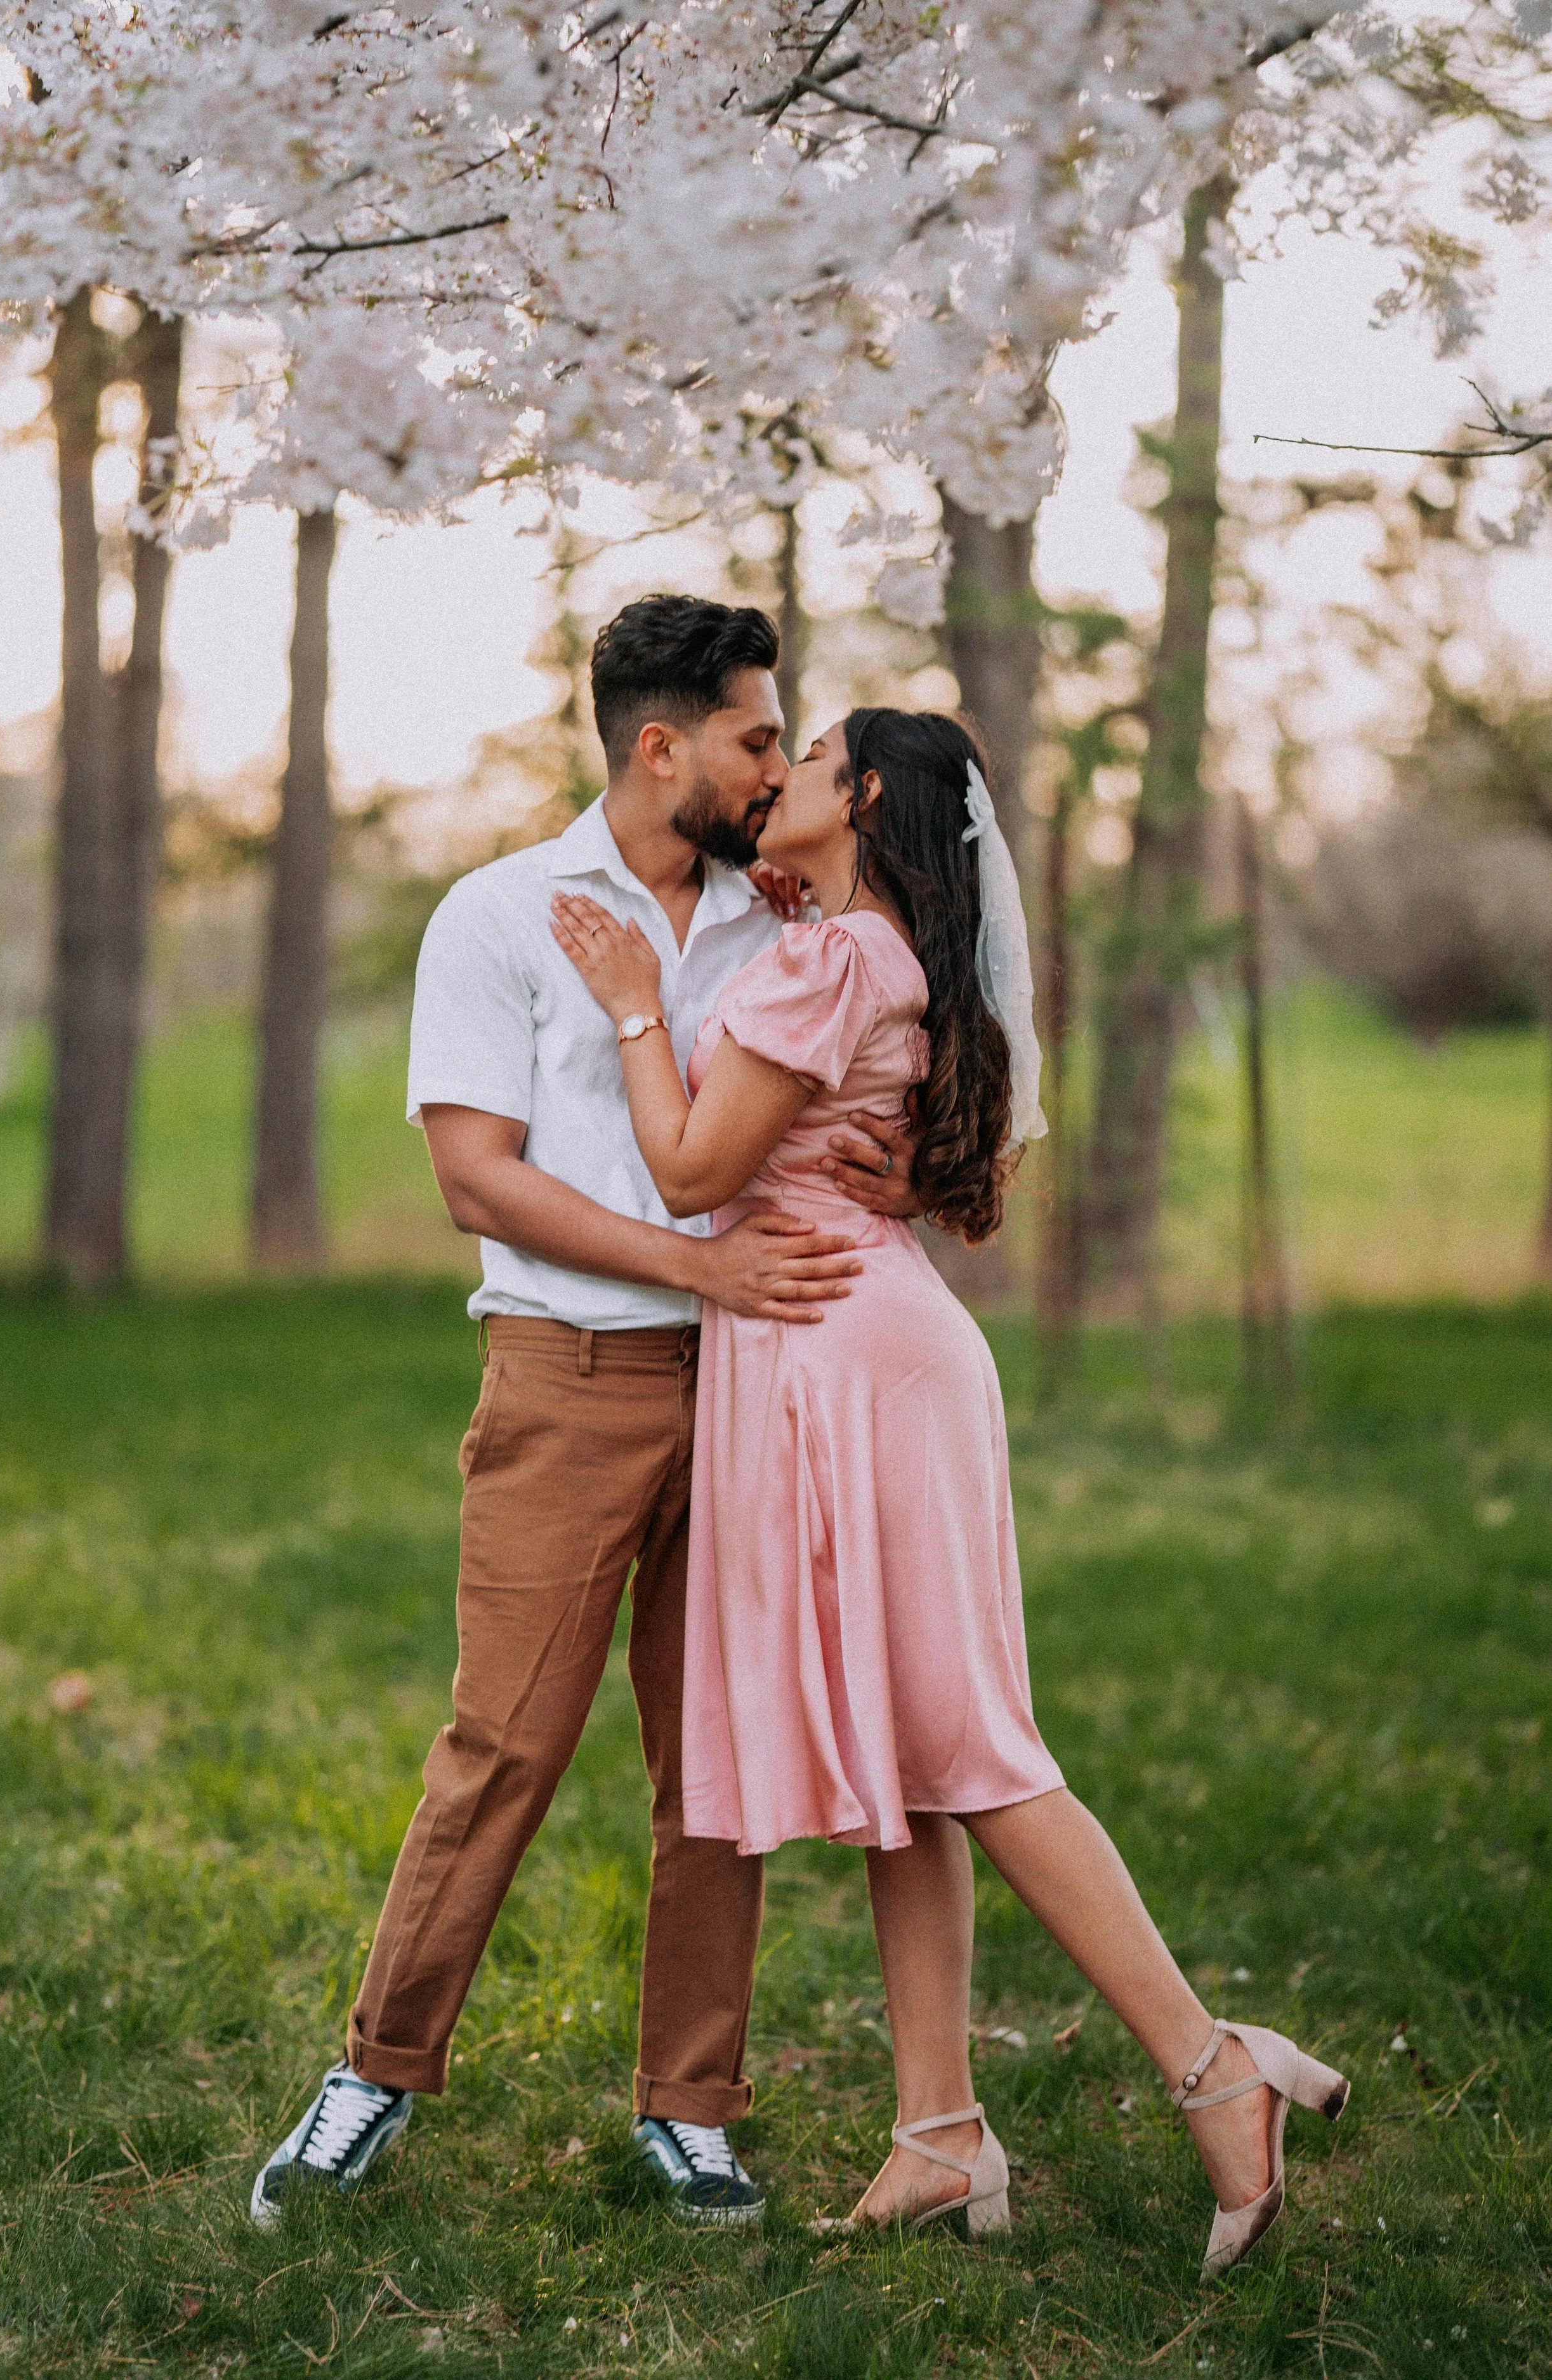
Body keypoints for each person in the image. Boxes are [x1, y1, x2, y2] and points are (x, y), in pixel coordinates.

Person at [551, 704, 1350, 2279]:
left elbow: (697, 1172)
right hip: (847, 1351)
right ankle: (937, 2134)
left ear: (860, 798)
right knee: (906, 1760)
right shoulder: (856, 947)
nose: (769, 776)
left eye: (806, 754)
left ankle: (1211, 2066)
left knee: (971, 1751)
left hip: (854, 1364)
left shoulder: (833, 961)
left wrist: (640, 1008)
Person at [250, 598, 924, 2229]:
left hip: (762, 1390)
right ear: (658, 743)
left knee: (717, 1762)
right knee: (505, 1745)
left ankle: (689, 2105)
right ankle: (376, 2074)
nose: (777, 766)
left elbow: (860, 1094)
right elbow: (476, 1180)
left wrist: (883, 1176)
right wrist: (698, 1271)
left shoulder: (788, 922)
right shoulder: (503, 913)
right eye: (757, 737)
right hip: (570, 1380)